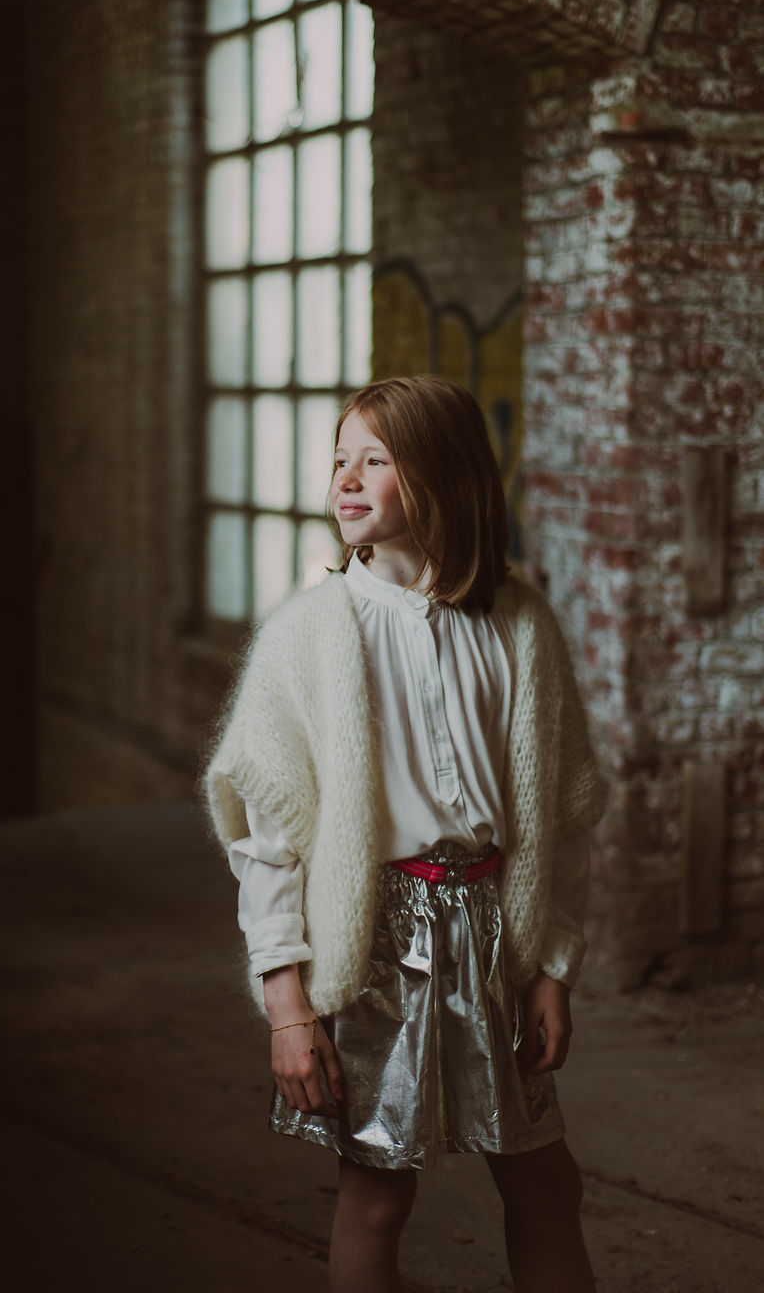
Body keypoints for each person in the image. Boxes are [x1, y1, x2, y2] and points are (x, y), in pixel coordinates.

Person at [204, 375, 607, 1293]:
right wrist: (287, 1007)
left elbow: (561, 817)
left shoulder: (519, 624)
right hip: (379, 943)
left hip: (497, 934)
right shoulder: (310, 634)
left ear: (443, 475)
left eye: (375, 460)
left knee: (547, 1185)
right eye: (339, 459)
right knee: (378, 1196)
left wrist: (552, 967)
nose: (345, 480)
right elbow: (269, 838)